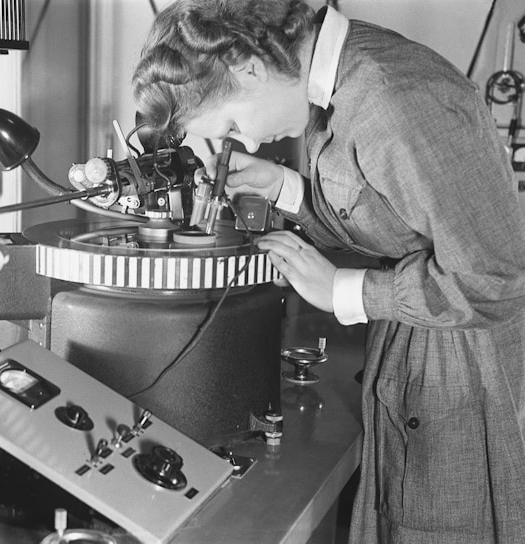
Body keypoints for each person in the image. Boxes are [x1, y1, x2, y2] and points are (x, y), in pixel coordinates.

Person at [132, 1, 525, 542]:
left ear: (249, 65)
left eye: (231, 123)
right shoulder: (344, 73)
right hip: (421, 346)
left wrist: (343, 290)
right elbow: (387, 212)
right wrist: (283, 188)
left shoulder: (395, 100)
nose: (244, 143)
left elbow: (496, 282)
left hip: (466, 368)